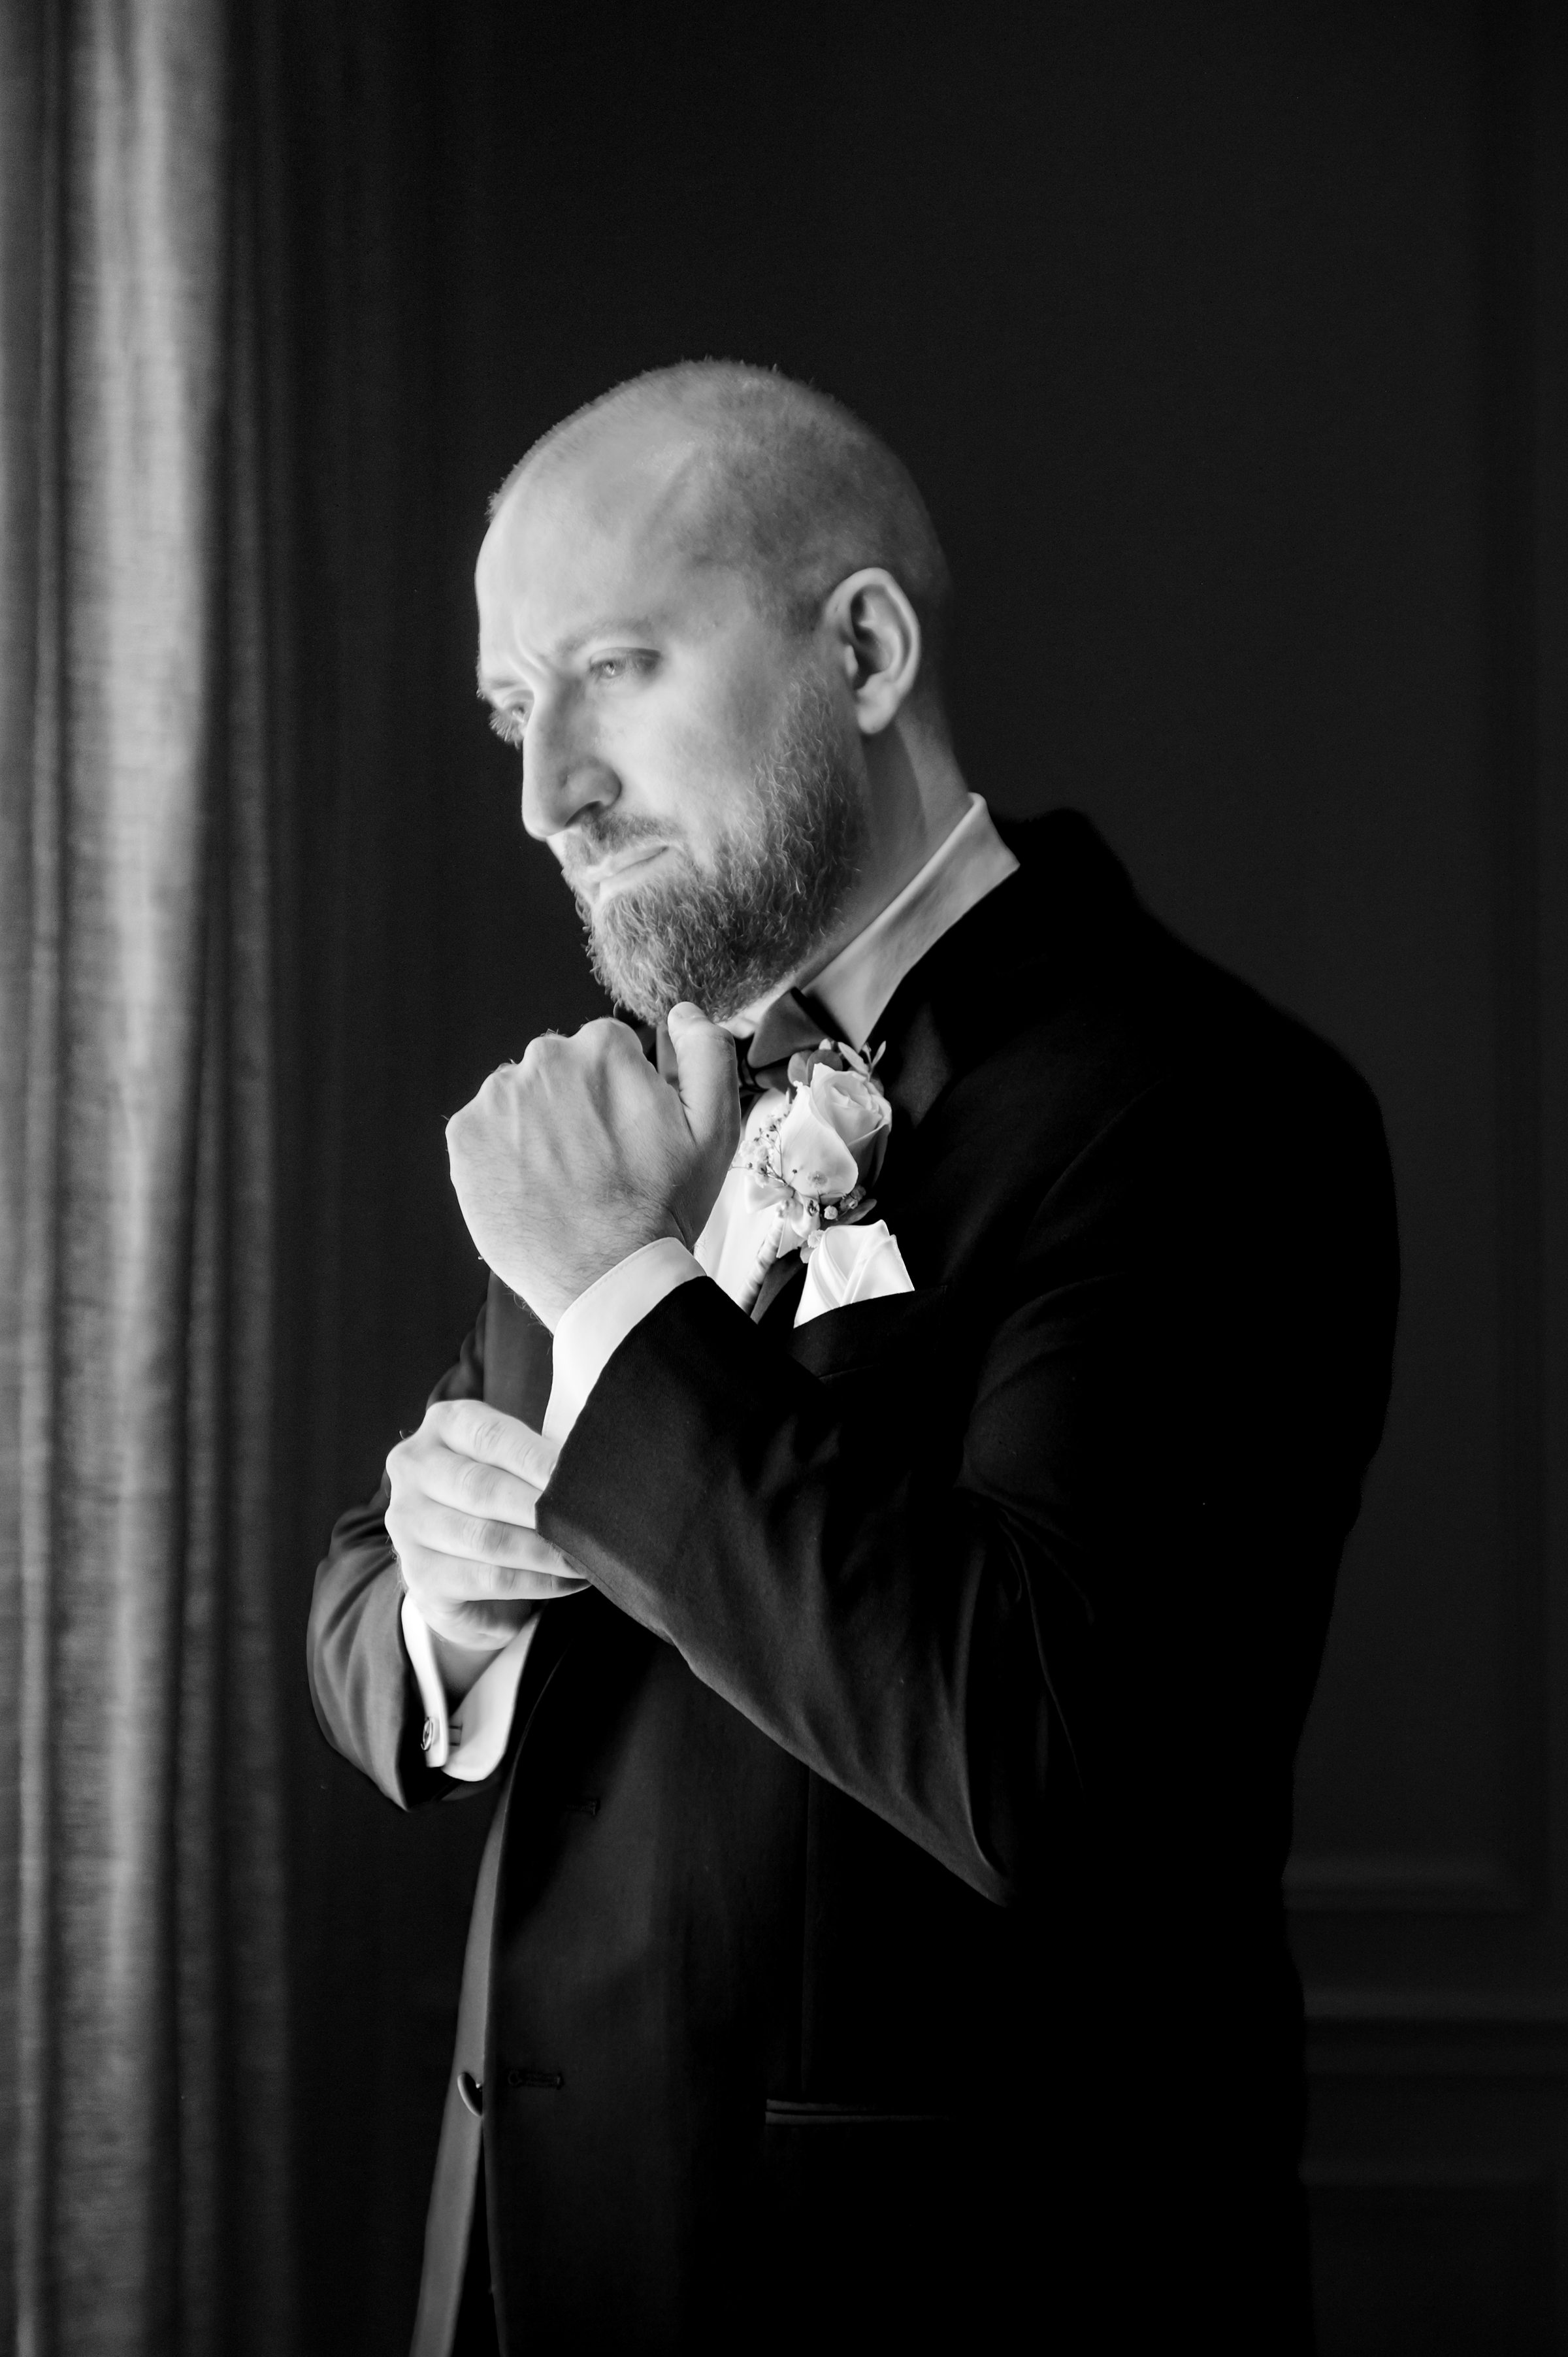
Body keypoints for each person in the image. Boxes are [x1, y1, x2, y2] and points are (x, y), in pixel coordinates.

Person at [308, 361, 1398, 2356]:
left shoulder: (1206, 1112)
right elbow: (365, 1611)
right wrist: (449, 1609)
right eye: (509, 710)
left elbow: (1052, 1768)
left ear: (867, 649)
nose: (546, 792)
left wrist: (625, 1302)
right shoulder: (637, 1111)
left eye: (614, 668)